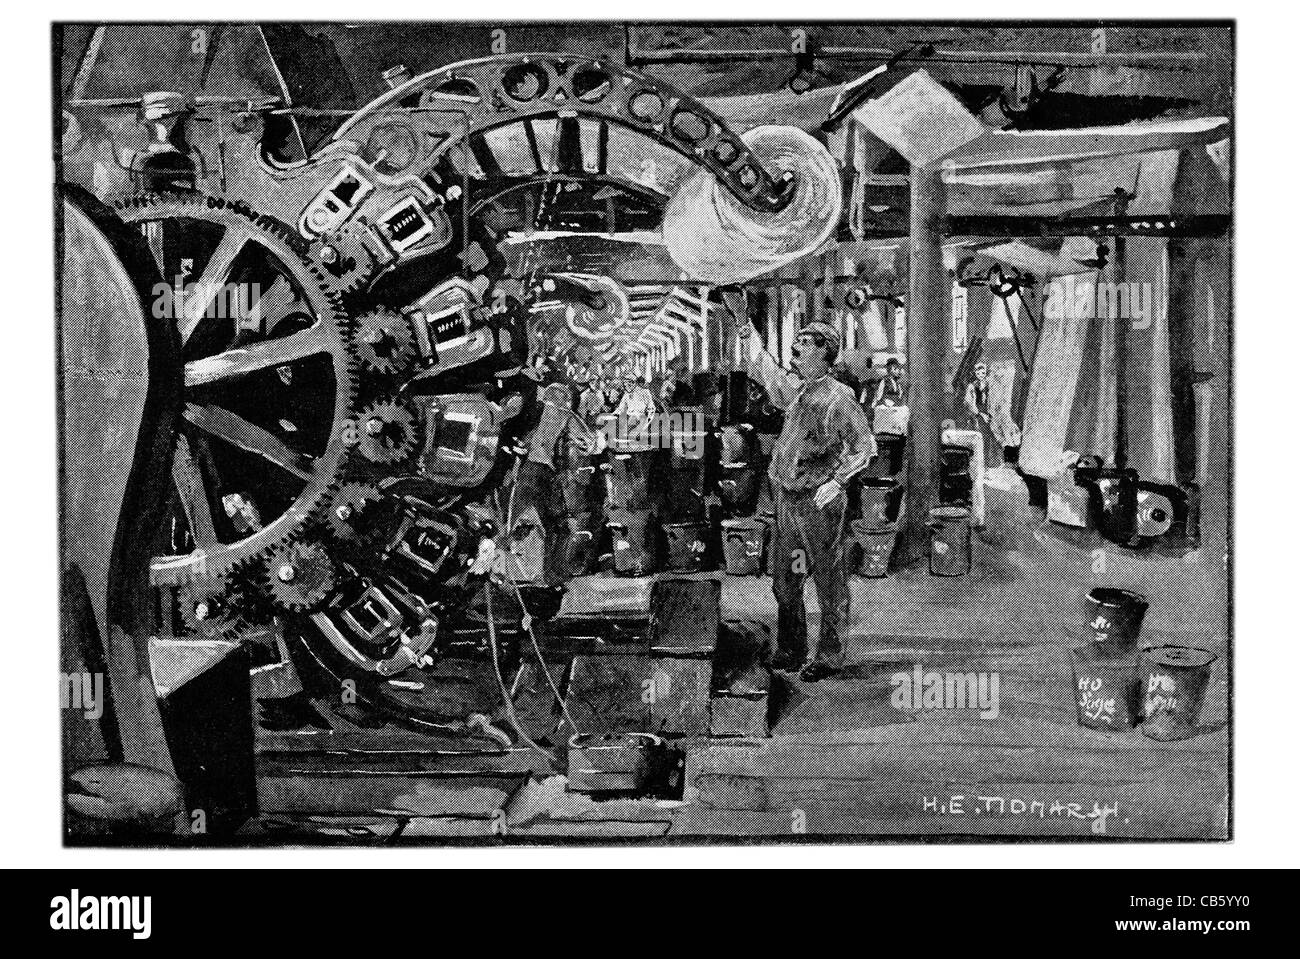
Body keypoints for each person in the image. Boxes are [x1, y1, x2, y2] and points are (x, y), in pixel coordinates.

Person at [736, 314, 876, 682]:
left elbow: (864, 447)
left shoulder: (839, 398)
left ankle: (829, 656)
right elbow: (765, 369)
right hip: (788, 500)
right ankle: (792, 648)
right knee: (788, 577)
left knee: (828, 578)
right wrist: (745, 326)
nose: (794, 355)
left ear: (824, 354)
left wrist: (838, 481)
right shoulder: (797, 390)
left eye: (802, 349)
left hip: (818, 501)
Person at [514, 382, 598, 585]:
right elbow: (589, 443)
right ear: (564, 399)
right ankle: (552, 573)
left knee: (518, 522)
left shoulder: (534, 412)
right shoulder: (566, 415)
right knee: (558, 525)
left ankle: (515, 573)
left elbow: (521, 443)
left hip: (525, 473)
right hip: (546, 474)